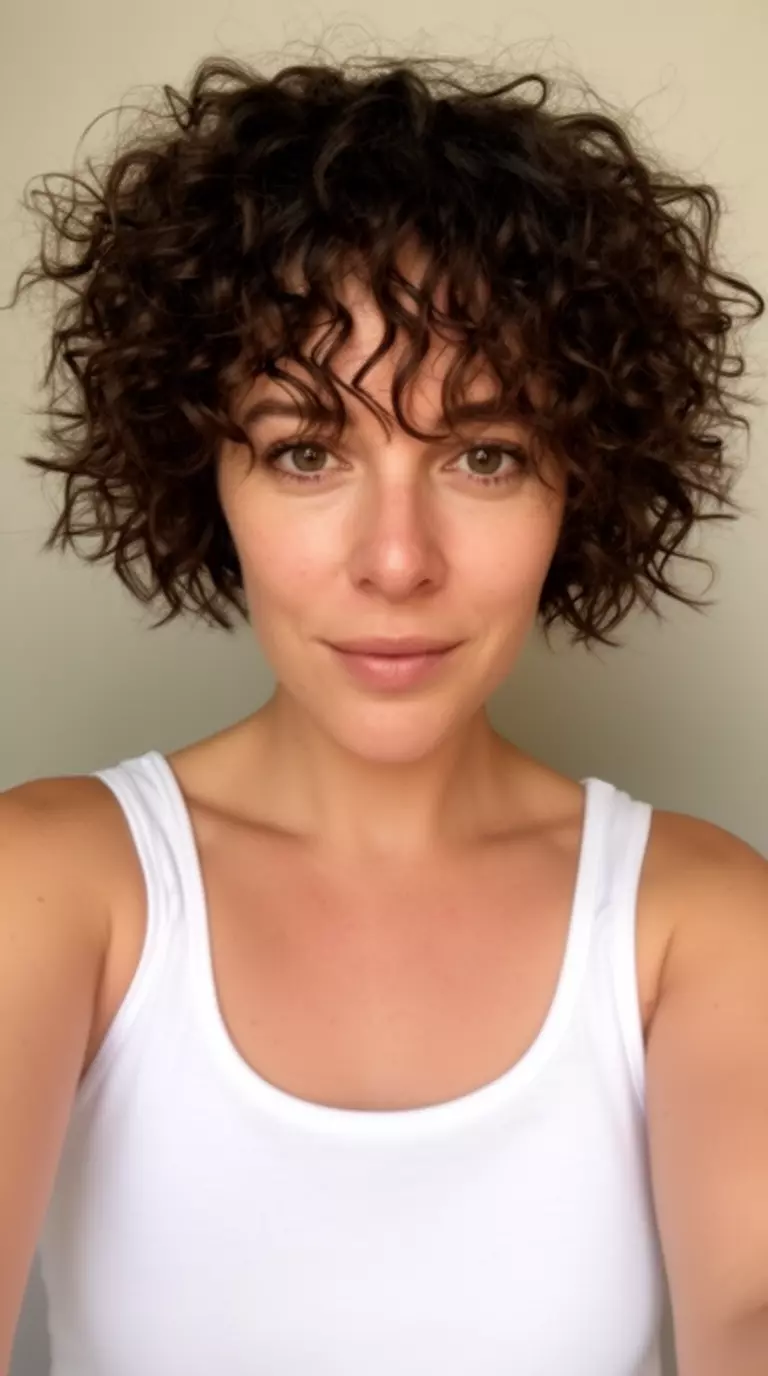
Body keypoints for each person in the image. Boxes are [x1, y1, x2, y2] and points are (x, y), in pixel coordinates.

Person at [1, 48, 767, 1376]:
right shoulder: (56, 885)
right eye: (308, 450)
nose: (398, 560)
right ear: (206, 474)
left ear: (579, 480)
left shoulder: (694, 925)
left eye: (483, 454)